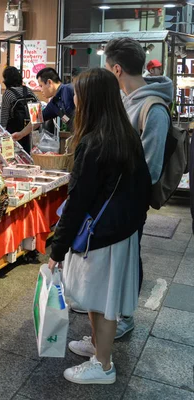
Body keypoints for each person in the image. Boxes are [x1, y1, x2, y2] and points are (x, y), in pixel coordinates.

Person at [48, 68, 151, 385]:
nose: (74, 99)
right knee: (101, 296)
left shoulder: (93, 142)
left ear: (91, 100)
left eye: (78, 93)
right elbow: (145, 186)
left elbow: (77, 202)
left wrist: (57, 248)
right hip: (120, 231)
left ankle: (103, 365)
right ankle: (97, 344)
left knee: (101, 299)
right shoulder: (125, 134)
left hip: (100, 235)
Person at [104, 37, 172, 337]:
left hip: (130, 200)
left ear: (117, 69)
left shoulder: (153, 108)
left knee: (129, 257)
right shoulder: (124, 100)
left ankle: (126, 316)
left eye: (107, 68)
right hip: (114, 196)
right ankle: (109, 311)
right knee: (115, 257)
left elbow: (150, 169)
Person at [0, 66, 39, 152]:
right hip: (30, 131)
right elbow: (38, 115)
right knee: (28, 156)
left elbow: (4, 117)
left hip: (14, 133)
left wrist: (1, 134)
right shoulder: (28, 90)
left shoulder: (8, 93)